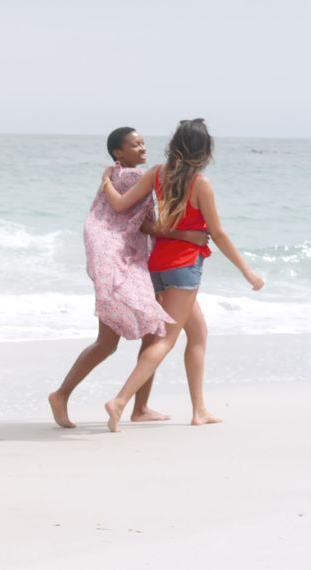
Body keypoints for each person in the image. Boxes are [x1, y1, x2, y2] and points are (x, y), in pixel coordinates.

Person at [100, 119, 264, 432]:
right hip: (184, 268)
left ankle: (199, 409)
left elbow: (120, 205)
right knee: (166, 341)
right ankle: (120, 401)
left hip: (158, 265)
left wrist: (106, 180)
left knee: (199, 333)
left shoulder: (158, 173)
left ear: (175, 144)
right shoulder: (200, 183)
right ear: (204, 150)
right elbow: (217, 233)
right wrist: (248, 271)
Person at [48, 127, 209, 428]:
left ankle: (140, 407)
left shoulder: (119, 175)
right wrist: (188, 233)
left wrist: (106, 180)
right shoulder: (134, 177)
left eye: (143, 142)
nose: (143, 147)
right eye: (134, 145)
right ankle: (62, 394)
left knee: (147, 333)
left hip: (123, 263)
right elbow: (146, 224)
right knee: (111, 342)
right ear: (118, 153)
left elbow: (122, 212)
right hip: (123, 265)